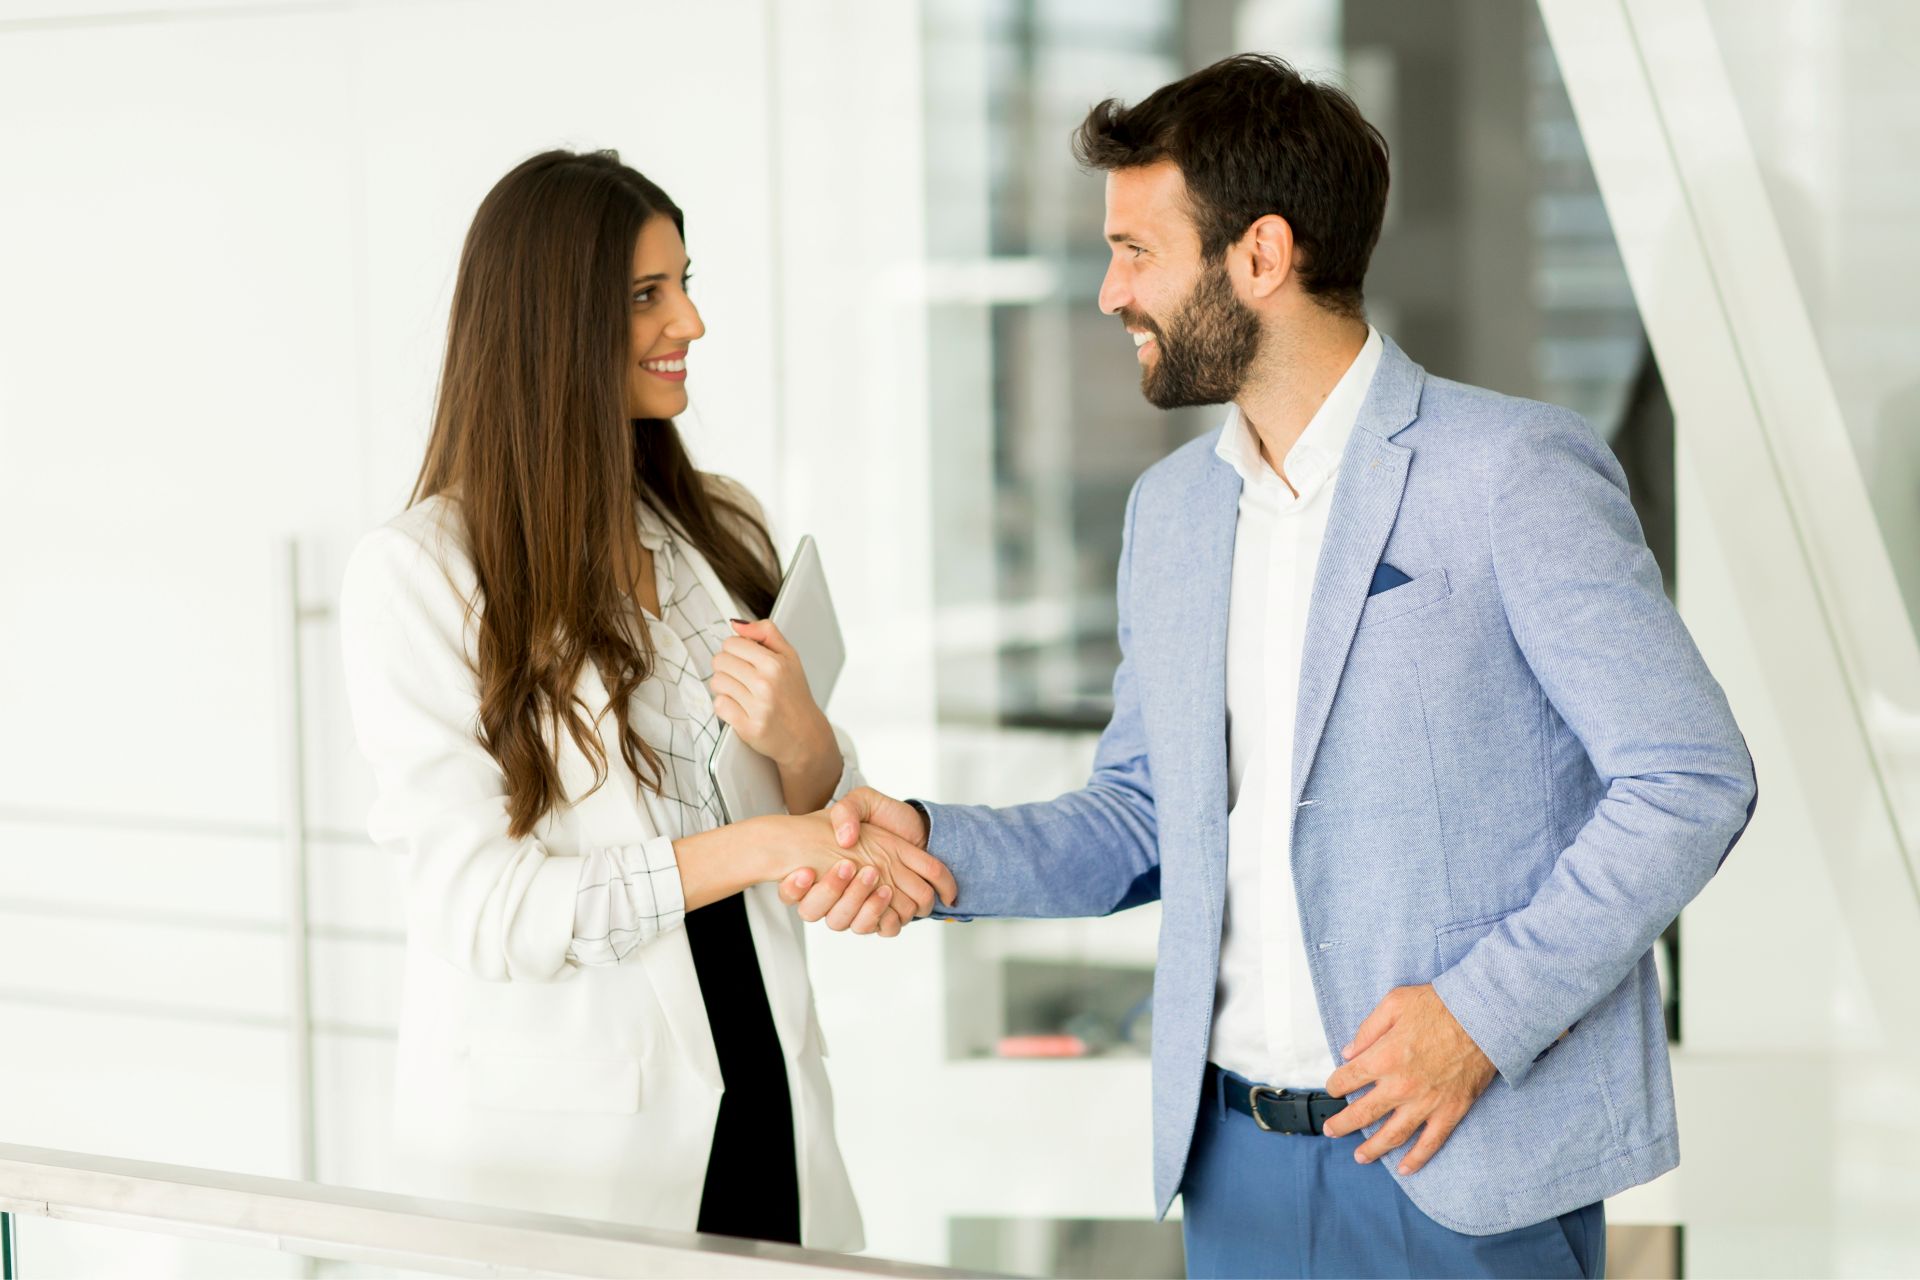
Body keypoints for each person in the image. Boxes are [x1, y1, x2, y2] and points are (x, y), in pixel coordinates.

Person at [794, 55, 1758, 1279]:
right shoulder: (1175, 513)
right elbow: (1146, 815)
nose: (1107, 292)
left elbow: (1689, 777)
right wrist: (934, 843)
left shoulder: (1511, 471)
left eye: (1138, 250)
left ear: (1260, 255)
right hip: (1232, 1168)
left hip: (1457, 1159)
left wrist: (1481, 1016)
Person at [337, 149, 953, 1249]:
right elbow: (488, 908)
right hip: (576, 1157)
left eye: (685, 282)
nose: (692, 322)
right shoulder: (420, 573)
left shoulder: (722, 524)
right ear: (550, 324)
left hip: (764, 1096)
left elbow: (810, 807)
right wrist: (764, 843)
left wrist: (809, 741)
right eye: (646, 295)